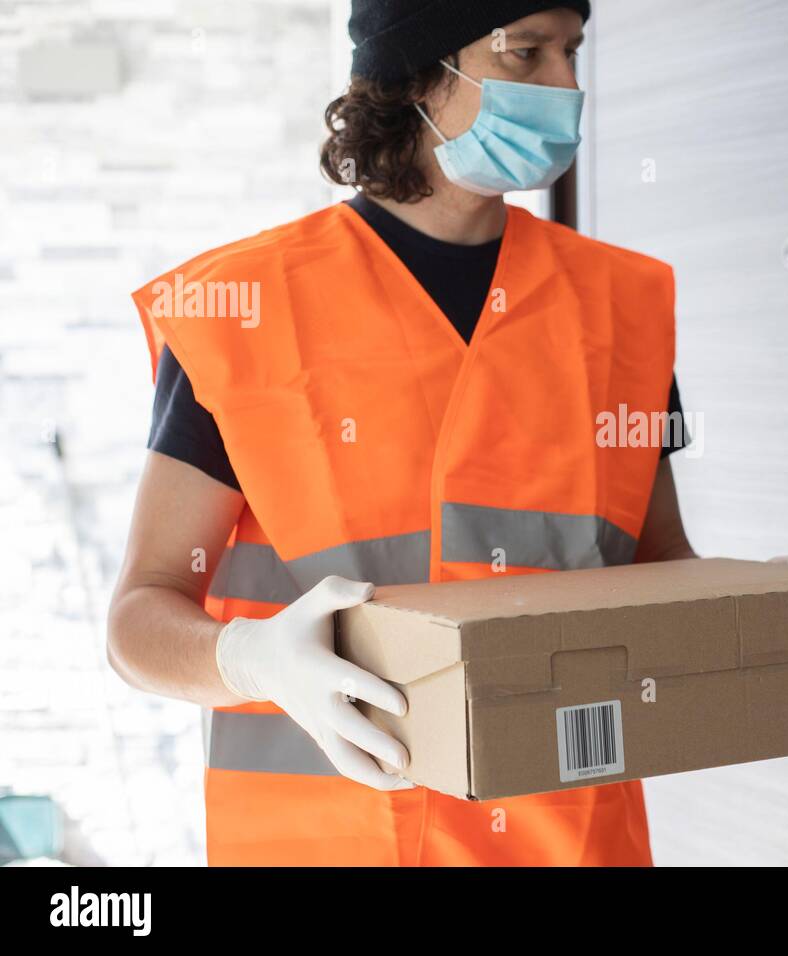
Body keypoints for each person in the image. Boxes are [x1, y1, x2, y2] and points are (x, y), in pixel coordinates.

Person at [107, 0, 697, 866]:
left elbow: (666, 570)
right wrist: (252, 659)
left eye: (573, 52)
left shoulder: (619, 312)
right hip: (324, 847)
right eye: (525, 54)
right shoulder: (244, 311)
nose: (568, 86)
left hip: (571, 842)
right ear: (417, 76)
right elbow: (137, 621)